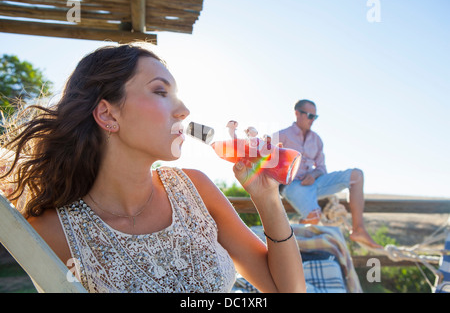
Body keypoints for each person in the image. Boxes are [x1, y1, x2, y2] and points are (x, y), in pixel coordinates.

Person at [0, 43, 305, 293]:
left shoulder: (194, 189)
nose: (184, 110)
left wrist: (267, 198)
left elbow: (287, 291)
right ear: (108, 114)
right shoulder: (52, 231)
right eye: (161, 92)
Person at [276, 99, 381, 249]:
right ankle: (292, 243)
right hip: (292, 185)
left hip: (316, 182)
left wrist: (314, 175)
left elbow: (321, 168)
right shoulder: (281, 136)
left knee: (357, 175)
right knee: (314, 217)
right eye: (309, 115)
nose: (312, 120)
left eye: (315, 117)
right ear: (297, 113)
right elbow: (266, 163)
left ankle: (358, 229)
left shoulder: (317, 140)